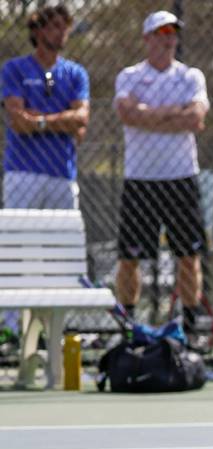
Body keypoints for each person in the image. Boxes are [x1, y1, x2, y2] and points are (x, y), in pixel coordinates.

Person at [113, 10, 209, 338]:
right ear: (147, 38)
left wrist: (149, 116)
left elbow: (196, 118)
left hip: (182, 178)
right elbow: (127, 114)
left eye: (173, 32)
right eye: (161, 32)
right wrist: (173, 115)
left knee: (189, 255)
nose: (168, 38)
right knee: (129, 257)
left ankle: (191, 327)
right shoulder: (129, 76)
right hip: (140, 180)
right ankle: (127, 325)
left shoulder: (191, 77)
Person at [1, 4, 89, 344]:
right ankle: (10, 330)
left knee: (61, 255)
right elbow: (18, 122)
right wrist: (59, 120)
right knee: (17, 251)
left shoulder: (76, 74)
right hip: (22, 173)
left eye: (65, 27)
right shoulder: (15, 69)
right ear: (37, 30)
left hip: (62, 177)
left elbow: (81, 122)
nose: (61, 33)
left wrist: (40, 120)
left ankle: (55, 332)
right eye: (54, 26)